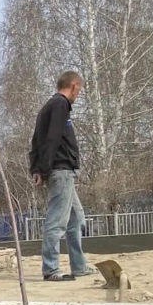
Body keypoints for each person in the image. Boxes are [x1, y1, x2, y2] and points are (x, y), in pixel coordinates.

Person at [29, 71, 94, 282]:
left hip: (61, 170)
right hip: (60, 170)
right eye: (80, 90)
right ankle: (51, 269)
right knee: (57, 221)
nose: (79, 94)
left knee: (76, 218)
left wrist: (36, 169)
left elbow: (35, 141)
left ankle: (79, 266)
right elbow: (51, 138)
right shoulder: (59, 105)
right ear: (74, 86)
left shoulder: (48, 107)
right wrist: (44, 169)